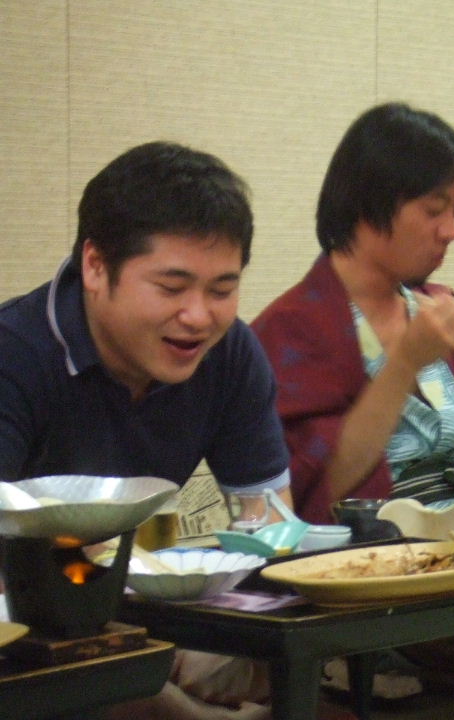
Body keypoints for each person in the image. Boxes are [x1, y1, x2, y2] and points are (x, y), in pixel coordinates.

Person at [0, 141, 342, 719]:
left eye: (222, 289)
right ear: (95, 265)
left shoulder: (229, 356)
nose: (199, 317)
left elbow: (266, 525)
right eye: (171, 287)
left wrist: (227, 630)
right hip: (27, 625)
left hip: (120, 607)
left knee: (282, 664)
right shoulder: (16, 356)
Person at [252, 102, 454, 524]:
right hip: (375, 551)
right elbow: (315, 494)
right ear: (368, 203)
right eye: (434, 210)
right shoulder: (290, 328)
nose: (451, 231)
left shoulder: (436, 307)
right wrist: (405, 363)